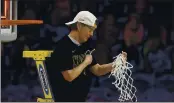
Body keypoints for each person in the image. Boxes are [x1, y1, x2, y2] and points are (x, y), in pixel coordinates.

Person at [46, 11, 127, 102]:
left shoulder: (85, 46)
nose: (92, 34)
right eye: (90, 30)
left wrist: (115, 64)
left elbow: (97, 70)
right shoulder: (63, 47)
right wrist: (85, 63)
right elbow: (68, 76)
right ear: (79, 26)